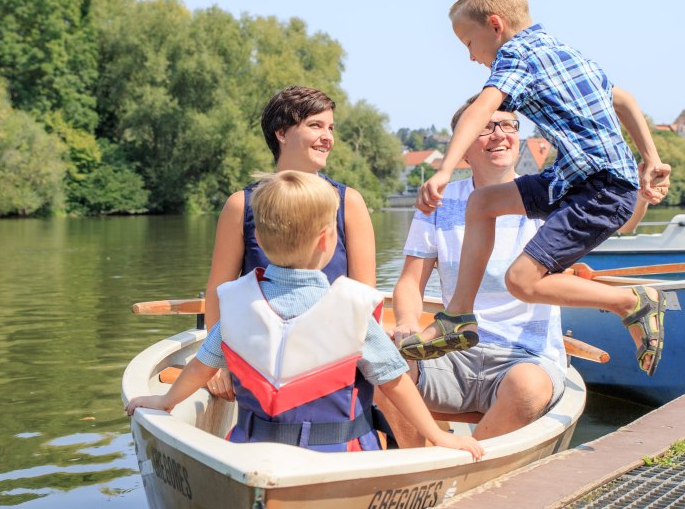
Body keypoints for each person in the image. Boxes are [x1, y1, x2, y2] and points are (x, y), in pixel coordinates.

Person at [400, 0, 672, 376]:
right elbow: (625, 100)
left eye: (469, 43)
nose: (472, 57)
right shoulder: (567, 53)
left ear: (496, 26)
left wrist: (444, 168)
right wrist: (650, 157)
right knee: (482, 203)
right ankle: (458, 316)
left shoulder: (515, 56)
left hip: (600, 188)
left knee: (522, 281)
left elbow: (480, 109)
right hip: (574, 179)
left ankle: (632, 302)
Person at [126, 171, 483, 458]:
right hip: (338, 459)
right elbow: (395, 382)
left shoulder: (237, 306)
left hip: (252, 453)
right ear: (327, 240)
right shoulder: (354, 310)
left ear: (259, 240)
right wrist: (438, 435)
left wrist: (165, 401)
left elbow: (201, 367)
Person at [389, 99, 570, 443]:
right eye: (486, 127)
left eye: (508, 125)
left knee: (527, 388)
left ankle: (465, 462)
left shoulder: (547, 198)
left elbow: (616, 221)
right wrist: (406, 322)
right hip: (452, 352)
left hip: (524, 358)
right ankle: (415, 463)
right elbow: (410, 283)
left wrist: (639, 198)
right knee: (383, 361)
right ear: (463, 149)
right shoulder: (439, 202)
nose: (499, 134)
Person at [202, 86, 376, 400]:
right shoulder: (241, 206)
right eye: (316, 125)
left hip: (333, 358)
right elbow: (219, 289)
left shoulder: (350, 202)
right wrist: (218, 364)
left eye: (331, 128)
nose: (327, 137)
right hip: (262, 361)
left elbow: (366, 296)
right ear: (281, 133)